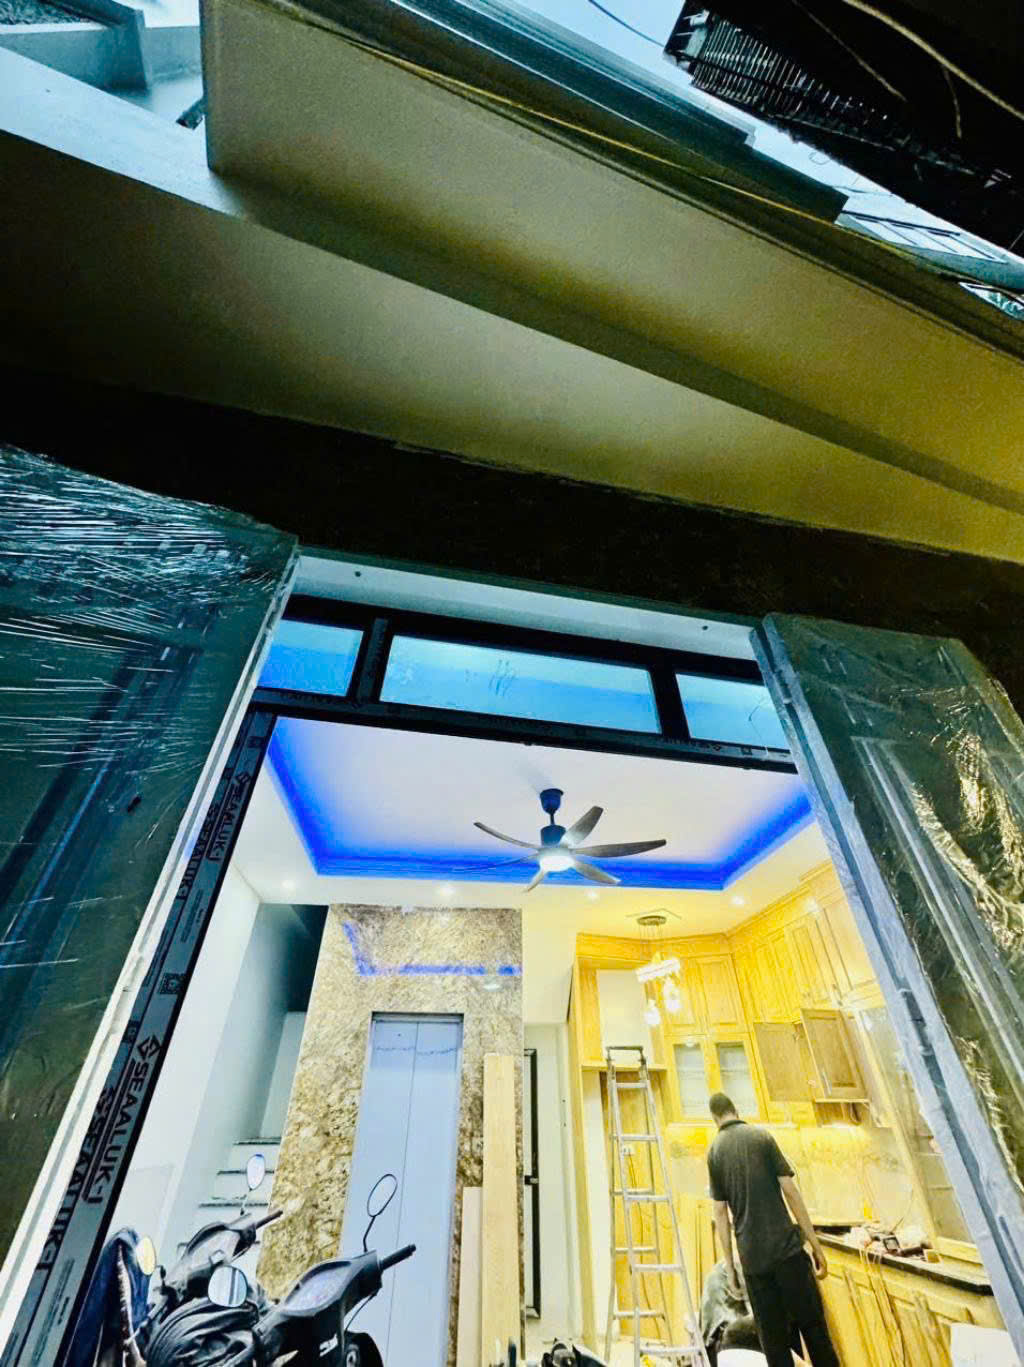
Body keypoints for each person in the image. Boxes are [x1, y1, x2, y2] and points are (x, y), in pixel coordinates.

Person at [706, 1092, 840, 1367]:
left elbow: (720, 1213)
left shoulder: (715, 1152)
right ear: (735, 1109)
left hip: (754, 1262)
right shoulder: (762, 1138)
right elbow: (791, 1191)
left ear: (715, 1118)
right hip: (787, 1253)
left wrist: (730, 1267)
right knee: (814, 1331)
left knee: (775, 1344)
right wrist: (815, 1245)